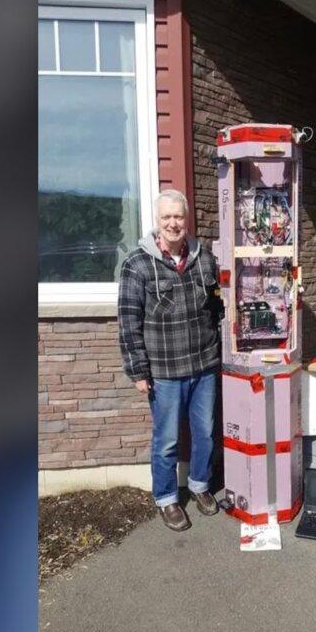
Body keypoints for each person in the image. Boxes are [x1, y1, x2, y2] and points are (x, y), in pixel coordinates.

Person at [118, 189, 223, 531]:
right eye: (167, 217)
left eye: (178, 216)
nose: (173, 223)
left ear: (186, 219)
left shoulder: (204, 258)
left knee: (205, 433)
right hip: (164, 371)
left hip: (204, 365)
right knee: (166, 441)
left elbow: (216, 308)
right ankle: (166, 498)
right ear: (157, 220)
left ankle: (199, 485)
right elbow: (129, 322)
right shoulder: (137, 264)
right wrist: (138, 370)